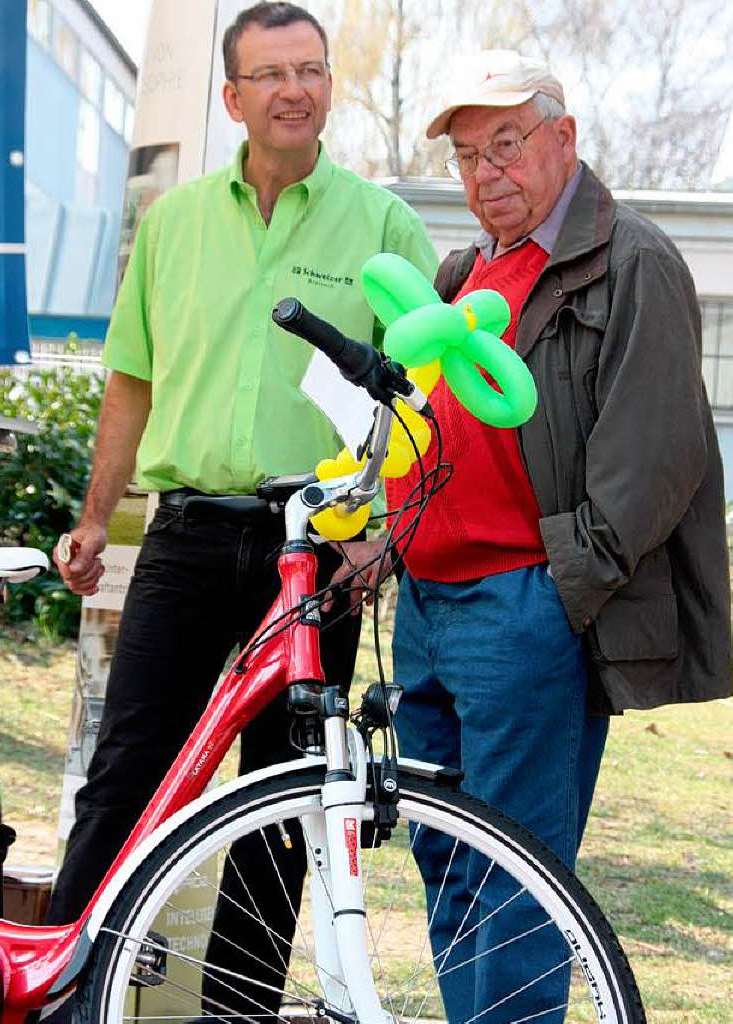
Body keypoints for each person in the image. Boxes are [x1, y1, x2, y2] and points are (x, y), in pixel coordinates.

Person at [49, 2, 438, 1018]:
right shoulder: (173, 223)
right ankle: (62, 988)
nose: (293, 89)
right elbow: (130, 380)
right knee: (128, 774)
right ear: (232, 97)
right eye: (268, 74)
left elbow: (420, 388)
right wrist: (97, 517)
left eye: (308, 69)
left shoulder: (382, 225)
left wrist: (383, 525)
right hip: (183, 534)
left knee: (282, 798)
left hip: (316, 551)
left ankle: (239, 1011)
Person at [334, 49, 731, 1023]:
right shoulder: (459, 269)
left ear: (562, 138)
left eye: (504, 144)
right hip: (424, 604)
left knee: (513, 873)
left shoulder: (627, 259)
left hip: (522, 605)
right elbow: (425, 428)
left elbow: (656, 457)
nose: (485, 174)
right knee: (442, 856)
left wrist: (562, 587)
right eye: (467, 157)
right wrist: (384, 536)